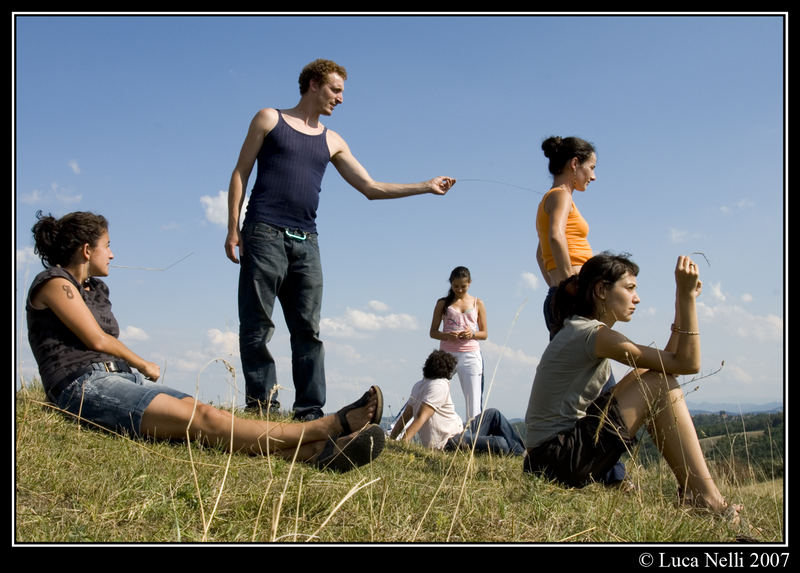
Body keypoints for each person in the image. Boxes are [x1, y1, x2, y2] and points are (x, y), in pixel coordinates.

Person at [25, 211, 385, 472]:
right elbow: (95, 338)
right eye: (108, 246)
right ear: (87, 250)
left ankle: (317, 453)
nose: (113, 254)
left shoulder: (95, 289)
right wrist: (142, 363)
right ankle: (326, 426)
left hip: (118, 380)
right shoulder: (54, 283)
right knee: (204, 418)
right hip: (84, 387)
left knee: (209, 421)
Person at [225, 59, 456, 421]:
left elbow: (371, 187)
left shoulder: (332, 140)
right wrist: (232, 227)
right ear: (314, 85)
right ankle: (261, 408)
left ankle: (309, 412)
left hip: (307, 242)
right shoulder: (269, 119)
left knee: (308, 331)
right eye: (336, 90)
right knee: (257, 324)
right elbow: (241, 171)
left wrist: (425, 186)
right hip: (263, 232)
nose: (341, 99)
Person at [523, 252, 742, 523]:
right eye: (629, 288)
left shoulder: (583, 329)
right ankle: (706, 499)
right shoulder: (594, 334)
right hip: (558, 459)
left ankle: (698, 494)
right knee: (656, 382)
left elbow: (669, 364)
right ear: (602, 290)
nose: (636, 298)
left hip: (550, 459)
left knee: (649, 376)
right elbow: (688, 363)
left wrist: (682, 300)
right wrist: (685, 298)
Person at [533, 135, 626, 486]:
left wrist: (556, 284)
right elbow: (556, 238)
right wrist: (572, 285)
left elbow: (539, 252)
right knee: (601, 386)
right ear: (575, 164)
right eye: (591, 167)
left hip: (565, 297)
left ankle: (607, 472)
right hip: (573, 300)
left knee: (589, 383)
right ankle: (612, 476)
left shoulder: (554, 198)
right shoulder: (560, 196)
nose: (594, 176)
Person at [389, 350, 524, 456]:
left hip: (461, 431)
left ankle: (522, 454)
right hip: (449, 443)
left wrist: (392, 439)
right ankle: (520, 453)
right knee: (502, 444)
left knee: (493, 414)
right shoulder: (439, 385)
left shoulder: (419, 385)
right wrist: (403, 443)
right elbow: (421, 416)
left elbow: (406, 415)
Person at [428, 266, 487, 419]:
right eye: (455, 286)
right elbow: (432, 332)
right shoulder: (442, 303)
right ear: (451, 284)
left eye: (463, 286)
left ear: (470, 283)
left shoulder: (478, 303)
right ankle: (396, 429)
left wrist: (472, 334)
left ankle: (473, 439)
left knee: (473, 402)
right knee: (429, 389)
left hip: (471, 355)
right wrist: (448, 336)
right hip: (446, 354)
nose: (459, 290)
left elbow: (484, 333)